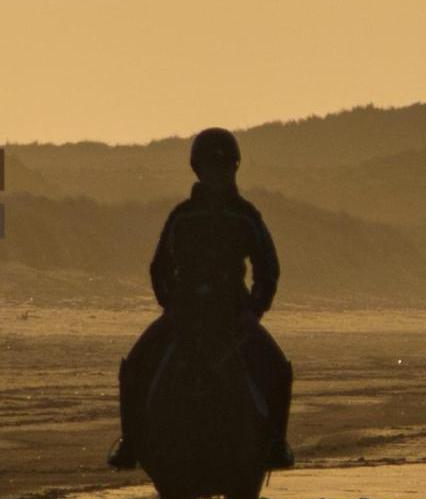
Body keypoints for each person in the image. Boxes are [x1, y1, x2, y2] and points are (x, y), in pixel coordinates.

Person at [109, 128, 294, 472]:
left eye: (223, 168)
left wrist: (253, 312)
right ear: (198, 169)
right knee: (134, 367)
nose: (217, 175)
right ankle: (131, 442)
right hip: (185, 314)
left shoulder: (246, 216)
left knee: (279, 370)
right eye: (211, 167)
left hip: (233, 316)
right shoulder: (182, 216)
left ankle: (276, 442)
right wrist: (171, 305)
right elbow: (159, 266)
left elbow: (268, 268)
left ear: (234, 169)